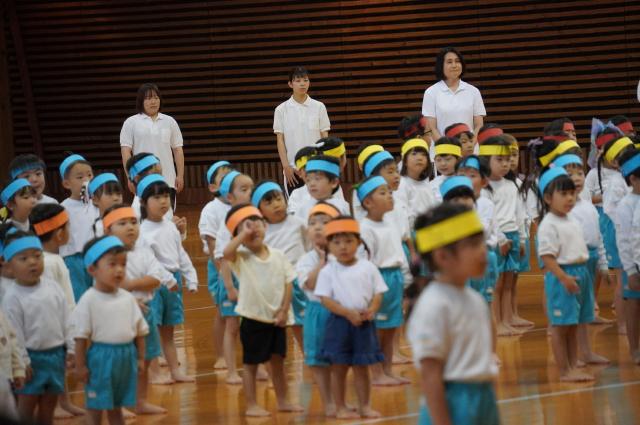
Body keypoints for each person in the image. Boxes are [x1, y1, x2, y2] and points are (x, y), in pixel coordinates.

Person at [407, 203, 499, 425]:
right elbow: (430, 375)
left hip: (483, 396)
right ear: (442, 257)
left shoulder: (475, 299)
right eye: (473, 245)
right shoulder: (434, 305)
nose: (483, 251)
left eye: (482, 242)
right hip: (452, 403)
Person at [222, 204, 304, 417]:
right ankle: (251, 405)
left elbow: (288, 282)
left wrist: (284, 310)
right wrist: (243, 234)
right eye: (245, 227)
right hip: (253, 319)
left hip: (276, 319)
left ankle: (283, 401)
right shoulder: (241, 257)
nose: (253, 229)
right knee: (250, 364)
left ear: (265, 225)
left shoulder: (278, 255)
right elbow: (227, 253)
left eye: (256, 223)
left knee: (278, 364)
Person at [103, 205, 176, 414]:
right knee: (121, 362)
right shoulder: (105, 257)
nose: (130, 227)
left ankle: (139, 401)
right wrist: (129, 298)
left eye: (134, 222)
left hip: (146, 313)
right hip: (117, 316)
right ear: (108, 230)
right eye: (122, 223)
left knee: (145, 359)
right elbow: (106, 286)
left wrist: (131, 284)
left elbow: (156, 278)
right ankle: (117, 405)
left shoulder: (144, 253)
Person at [314, 216, 386, 419]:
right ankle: (340, 407)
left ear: (358, 242)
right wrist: (347, 313)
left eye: (348, 241)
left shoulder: (368, 267)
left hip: (364, 323)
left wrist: (372, 309)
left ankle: (365, 406)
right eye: (336, 242)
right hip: (339, 324)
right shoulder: (328, 271)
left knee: (362, 368)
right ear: (329, 245)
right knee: (339, 368)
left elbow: (378, 292)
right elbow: (325, 299)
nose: (343, 247)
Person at [72, 235, 149, 425]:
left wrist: (140, 358)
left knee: (117, 408)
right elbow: (80, 337)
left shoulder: (128, 298)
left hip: (125, 358)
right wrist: (80, 366)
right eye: (112, 264)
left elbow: (140, 332)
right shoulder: (88, 299)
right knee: (95, 408)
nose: (119, 270)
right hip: (100, 359)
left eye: (123, 264)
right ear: (92, 269)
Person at [1, 231, 74, 425]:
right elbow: (14, 333)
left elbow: (66, 319)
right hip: (31, 360)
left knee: (49, 404)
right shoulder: (12, 297)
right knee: (27, 404)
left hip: (56, 356)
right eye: (23, 258)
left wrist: (71, 346)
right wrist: (23, 360)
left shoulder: (53, 287)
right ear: (9, 265)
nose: (32, 262)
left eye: (37, 256)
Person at [537, 167, 596, 382]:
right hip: (563, 277)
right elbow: (547, 257)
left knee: (573, 325)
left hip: (579, 274)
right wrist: (563, 278)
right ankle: (564, 370)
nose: (570, 198)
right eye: (563, 194)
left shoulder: (571, 219)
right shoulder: (548, 224)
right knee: (561, 328)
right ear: (547, 198)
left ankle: (573, 365)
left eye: (572, 193)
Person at [137, 174, 198, 383]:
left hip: (173, 282)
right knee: (153, 330)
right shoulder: (143, 232)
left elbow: (180, 254)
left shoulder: (170, 226)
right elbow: (150, 262)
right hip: (155, 284)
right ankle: (154, 372)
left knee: (169, 332)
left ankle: (175, 371)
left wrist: (191, 277)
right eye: (157, 197)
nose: (164, 201)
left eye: (166, 196)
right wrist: (167, 280)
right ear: (144, 202)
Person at [29, 203, 85, 418]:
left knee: (58, 367)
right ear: (60, 233)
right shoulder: (51, 263)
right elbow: (62, 300)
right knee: (53, 369)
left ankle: (65, 402)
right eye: (68, 226)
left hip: (52, 323)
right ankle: (57, 406)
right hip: (53, 325)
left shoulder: (47, 259)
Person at [554, 154, 610, 365]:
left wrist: (603, 264)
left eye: (580, 173)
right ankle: (571, 357)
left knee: (585, 312)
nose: (577, 178)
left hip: (590, 260)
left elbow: (598, 237)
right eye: (570, 174)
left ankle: (586, 352)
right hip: (573, 264)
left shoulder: (588, 206)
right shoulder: (562, 211)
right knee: (571, 313)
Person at [357, 175, 410, 386]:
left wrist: (406, 279)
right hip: (378, 281)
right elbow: (364, 262)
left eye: (389, 192)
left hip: (395, 278)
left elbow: (399, 253)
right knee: (377, 330)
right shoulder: (365, 228)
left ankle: (387, 370)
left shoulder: (390, 222)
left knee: (390, 329)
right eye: (383, 193)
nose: (389, 195)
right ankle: (376, 373)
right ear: (368, 202)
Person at [296, 202, 341, 417]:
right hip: (318, 313)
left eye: (324, 222)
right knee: (319, 361)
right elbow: (311, 284)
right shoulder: (306, 260)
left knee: (341, 360)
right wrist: (322, 261)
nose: (317, 227)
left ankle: (341, 401)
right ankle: (328, 402)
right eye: (312, 223)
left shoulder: (345, 256)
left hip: (341, 312)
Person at [252, 181, 307, 352]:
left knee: (300, 323)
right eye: (268, 202)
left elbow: (308, 246)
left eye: (278, 199)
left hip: (297, 282)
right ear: (259, 210)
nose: (276, 204)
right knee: (274, 326)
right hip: (273, 285)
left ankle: (308, 354)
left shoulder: (298, 223)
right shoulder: (260, 231)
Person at [479, 136, 524, 336]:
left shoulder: (513, 185)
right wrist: (500, 239)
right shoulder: (485, 189)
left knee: (508, 281)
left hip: (513, 235)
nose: (505, 164)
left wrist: (522, 238)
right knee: (496, 284)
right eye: (499, 159)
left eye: (507, 159)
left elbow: (519, 213)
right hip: (498, 239)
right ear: (486, 160)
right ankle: (496, 323)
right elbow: (490, 219)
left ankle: (508, 318)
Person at [198, 160, 233, 370]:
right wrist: (222, 272)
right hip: (220, 266)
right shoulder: (210, 210)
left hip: (242, 264)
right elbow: (211, 244)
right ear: (213, 187)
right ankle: (220, 355)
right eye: (224, 177)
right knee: (223, 312)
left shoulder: (241, 204)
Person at [120, 83, 185, 196]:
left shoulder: (170, 121)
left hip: (168, 180)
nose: (153, 102)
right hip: (142, 180)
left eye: (156, 98)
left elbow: (178, 150)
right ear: (141, 101)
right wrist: (130, 177)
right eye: (148, 98)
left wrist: (180, 175)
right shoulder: (131, 122)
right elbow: (125, 152)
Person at [273, 66, 330, 193]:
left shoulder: (319, 107)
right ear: (290, 84)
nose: (302, 84)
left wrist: (324, 163)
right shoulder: (281, 110)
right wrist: (286, 166)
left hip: (316, 167)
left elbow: (324, 138)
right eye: (298, 81)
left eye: (305, 80)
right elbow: (280, 140)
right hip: (293, 170)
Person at [421, 47, 486, 142]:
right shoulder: (431, 92)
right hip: (441, 148)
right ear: (441, 66)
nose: (454, 65)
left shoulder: (473, 91)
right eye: (449, 62)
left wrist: (470, 143)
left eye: (457, 61)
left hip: (469, 148)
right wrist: (446, 146)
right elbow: (431, 128)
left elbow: (479, 125)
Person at [58, 153, 100, 302]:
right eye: (80, 177)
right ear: (67, 184)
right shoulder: (63, 208)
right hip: (73, 259)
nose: (86, 180)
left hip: (97, 257)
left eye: (89, 175)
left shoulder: (97, 204)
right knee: (79, 298)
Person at [614, 149, 640, 363]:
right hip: (635, 266)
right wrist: (630, 271)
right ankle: (635, 349)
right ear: (633, 179)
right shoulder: (626, 205)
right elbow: (624, 240)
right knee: (634, 306)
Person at [395, 138, 435, 228]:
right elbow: (401, 216)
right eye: (414, 154)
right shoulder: (401, 184)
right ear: (404, 160)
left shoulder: (427, 185)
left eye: (423, 155)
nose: (419, 158)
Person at [431, 137, 462, 202]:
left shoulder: (466, 181)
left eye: (448, 159)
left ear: (458, 159)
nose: (443, 164)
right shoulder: (432, 185)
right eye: (438, 160)